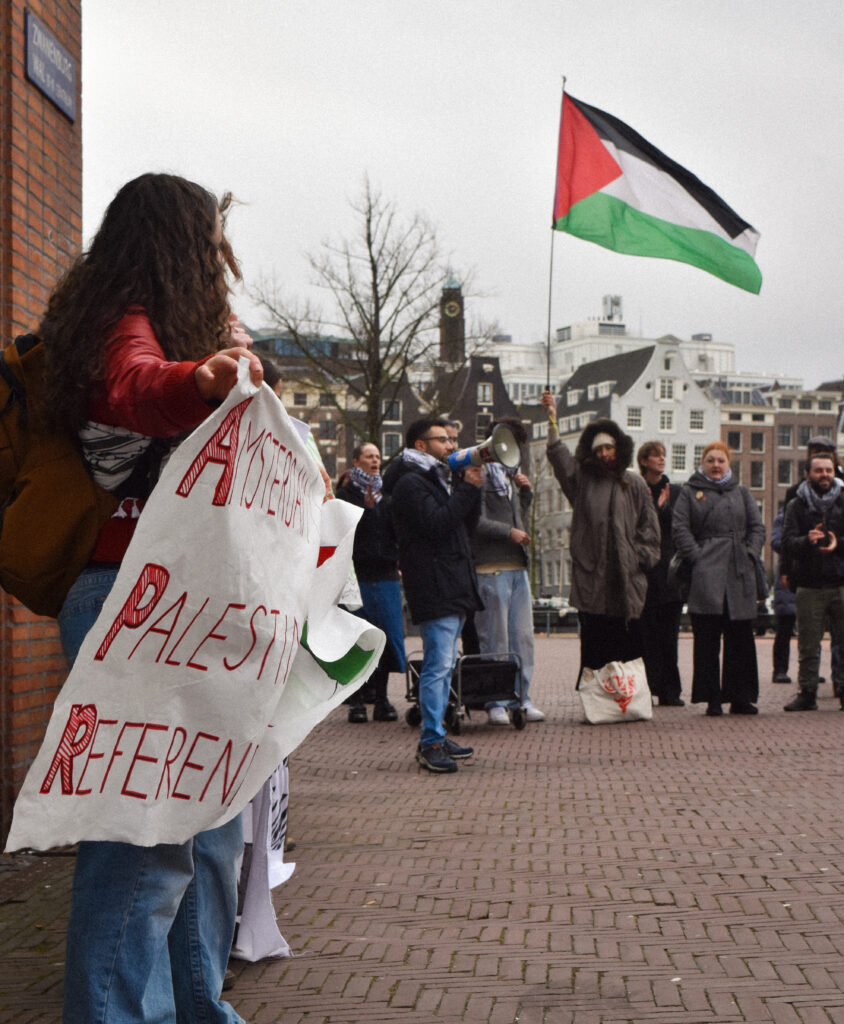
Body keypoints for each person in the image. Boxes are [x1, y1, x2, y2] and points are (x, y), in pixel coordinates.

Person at [40, 173, 265, 1024]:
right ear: (178, 243)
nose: (219, 253)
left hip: (175, 603)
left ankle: (198, 1008)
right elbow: (141, 385)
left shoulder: (162, 325)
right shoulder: (121, 323)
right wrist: (203, 377)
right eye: (209, 237)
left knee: (208, 832)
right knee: (144, 839)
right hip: (131, 604)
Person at [386, 417, 483, 772]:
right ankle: (430, 742)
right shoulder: (411, 483)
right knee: (438, 666)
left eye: (452, 439)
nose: (451, 446)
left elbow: (464, 527)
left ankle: (437, 732)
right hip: (434, 584)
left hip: (450, 583)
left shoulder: (437, 479)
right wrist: (466, 490)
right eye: (443, 440)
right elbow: (437, 524)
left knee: (444, 665)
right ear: (421, 445)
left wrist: (472, 490)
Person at [540, 391, 660, 677]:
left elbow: (650, 531)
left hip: (627, 582)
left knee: (629, 650)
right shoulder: (582, 482)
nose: (605, 454)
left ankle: (628, 698)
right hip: (592, 579)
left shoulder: (635, 484)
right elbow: (560, 458)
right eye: (598, 450)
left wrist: (638, 558)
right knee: (595, 649)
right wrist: (552, 420)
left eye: (609, 448)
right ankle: (597, 698)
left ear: (618, 448)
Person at [671, 441, 765, 716]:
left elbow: (757, 527)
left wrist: (751, 553)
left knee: (740, 637)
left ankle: (740, 697)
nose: (715, 465)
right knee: (707, 638)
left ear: (728, 464)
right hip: (706, 572)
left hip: (738, 570)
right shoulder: (689, 492)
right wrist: (698, 558)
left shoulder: (741, 492)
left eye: (720, 460)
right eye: (710, 460)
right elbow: (680, 528)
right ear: (702, 463)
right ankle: (712, 697)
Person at [470, 416, 544, 724]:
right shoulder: (480, 474)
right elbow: (475, 521)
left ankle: (521, 698)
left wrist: (525, 496)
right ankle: (495, 700)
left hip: (517, 568)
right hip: (490, 568)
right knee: (495, 639)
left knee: (522, 638)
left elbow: (517, 520)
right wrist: (509, 533)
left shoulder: (510, 476)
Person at [336, 442, 405, 723]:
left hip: (386, 575)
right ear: (356, 461)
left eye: (377, 456)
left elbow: (396, 531)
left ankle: (382, 699)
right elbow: (344, 534)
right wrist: (365, 511)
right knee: (357, 639)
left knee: (386, 636)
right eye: (369, 456)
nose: (375, 461)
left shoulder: (386, 496)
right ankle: (356, 701)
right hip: (357, 576)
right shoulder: (345, 495)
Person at [781, 451, 844, 710]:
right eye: (819, 470)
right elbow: (786, 543)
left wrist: (838, 543)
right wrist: (807, 541)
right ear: (808, 474)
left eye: (829, 470)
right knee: (807, 643)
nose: (824, 475)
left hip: (841, 581)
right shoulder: (796, 505)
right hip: (809, 583)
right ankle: (807, 692)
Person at [636, 441, 685, 706]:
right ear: (644, 461)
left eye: (663, 455)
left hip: (669, 575)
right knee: (646, 637)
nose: (662, 459)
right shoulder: (636, 490)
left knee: (669, 637)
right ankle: (647, 688)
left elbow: (681, 526)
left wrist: (664, 508)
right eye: (656, 456)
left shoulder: (676, 492)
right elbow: (637, 528)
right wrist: (655, 509)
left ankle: (670, 691)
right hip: (645, 574)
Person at [770, 505, 796, 683]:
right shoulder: (783, 517)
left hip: (812, 575)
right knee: (784, 628)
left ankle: (811, 671)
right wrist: (802, 542)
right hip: (788, 576)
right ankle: (779, 669)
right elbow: (776, 542)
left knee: (812, 627)